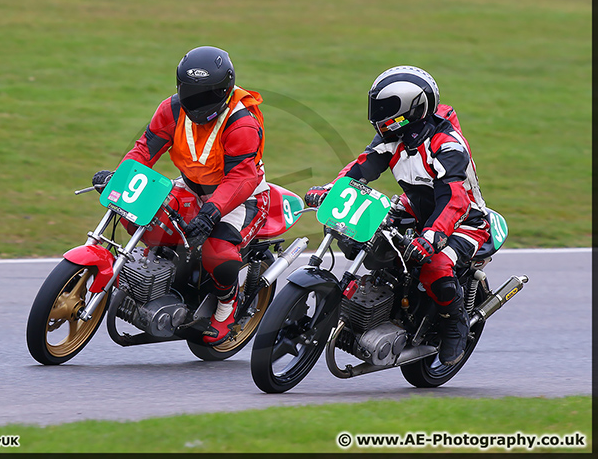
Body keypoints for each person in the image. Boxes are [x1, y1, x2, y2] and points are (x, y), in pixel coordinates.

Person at [304, 65, 490, 366]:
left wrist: (433, 236)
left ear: (412, 110)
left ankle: (453, 323)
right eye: (376, 106)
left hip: (463, 221)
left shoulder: (448, 146)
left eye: (386, 109)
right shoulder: (395, 136)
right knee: (359, 236)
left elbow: (453, 198)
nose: (377, 115)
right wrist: (330, 191)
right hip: (415, 208)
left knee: (435, 267)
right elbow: (361, 168)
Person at [92, 46, 270, 346]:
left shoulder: (242, 123)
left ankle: (228, 305)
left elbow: (243, 176)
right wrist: (119, 179)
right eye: (191, 92)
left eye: (208, 94)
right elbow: (144, 149)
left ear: (226, 90)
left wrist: (212, 210)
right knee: (141, 213)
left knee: (218, 251)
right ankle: (158, 276)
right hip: (191, 185)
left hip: (240, 197)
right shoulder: (171, 109)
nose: (197, 102)